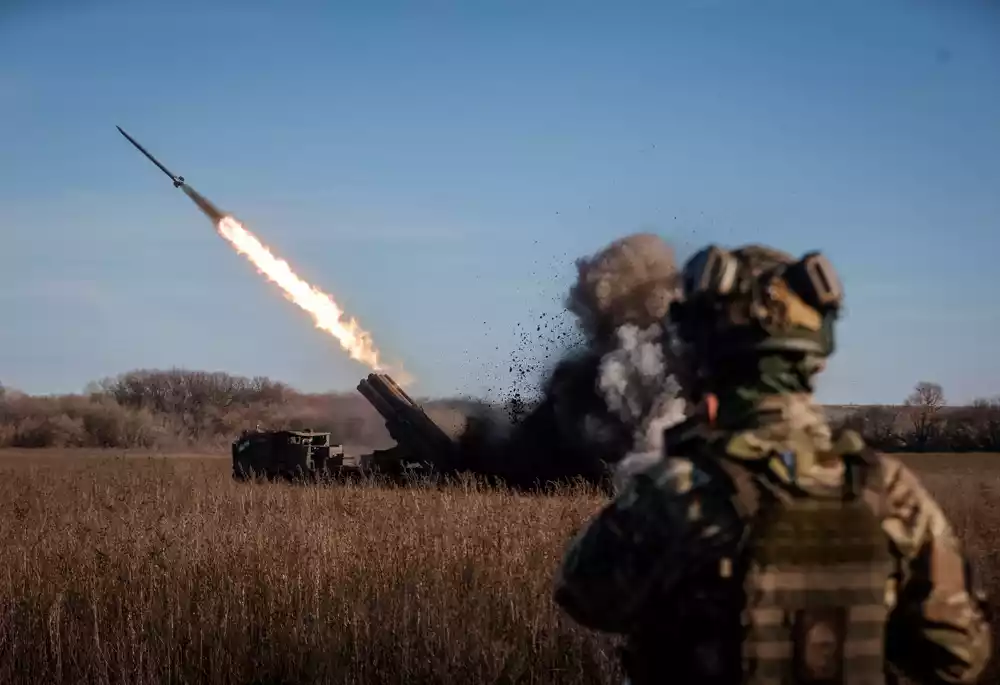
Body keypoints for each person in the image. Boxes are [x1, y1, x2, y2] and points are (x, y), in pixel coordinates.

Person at [552, 243, 992, 684]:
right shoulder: (891, 492)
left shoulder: (674, 492)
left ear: (699, 354)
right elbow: (959, 654)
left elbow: (584, 596)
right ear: (815, 358)